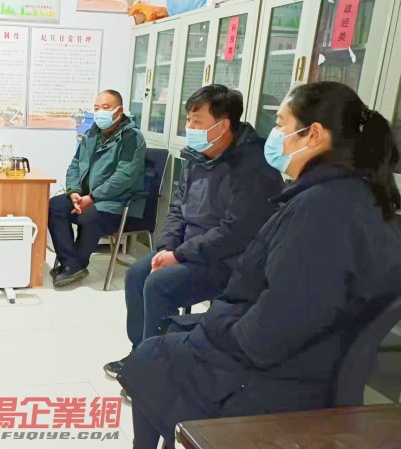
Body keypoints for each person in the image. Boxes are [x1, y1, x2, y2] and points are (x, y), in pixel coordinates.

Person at [120, 81, 401, 449]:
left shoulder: (322, 210)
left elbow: (271, 330)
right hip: (307, 360)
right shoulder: (355, 195)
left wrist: (216, 324)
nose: (275, 136)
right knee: (157, 350)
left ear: (313, 134)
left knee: (149, 360)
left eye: (282, 124)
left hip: (278, 379)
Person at [104, 85, 283, 378]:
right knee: (137, 273)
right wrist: (166, 248)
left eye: (197, 122)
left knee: (158, 284)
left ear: (222, 126)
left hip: (229, 260)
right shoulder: (197, 156)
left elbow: (236, 232)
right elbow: (178, 208)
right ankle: (142, 351)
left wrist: (179, 255)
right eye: (188, 120)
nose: (189, 128)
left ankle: (156, 369)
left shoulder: (253, 167)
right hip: (189, 251)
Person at [48, 89, 148, 287]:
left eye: (105, 107)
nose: (100, 112)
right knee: (55, 206)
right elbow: (75, 165)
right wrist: (74, 191)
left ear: (119, 112)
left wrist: (92, 198)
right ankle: (71, 264)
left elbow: (124, 177)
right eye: (96, 108)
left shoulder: (132, 137)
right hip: (87, 196)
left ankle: (75, 264)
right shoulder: (91, 134)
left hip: (116, 201)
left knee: (89, 215)